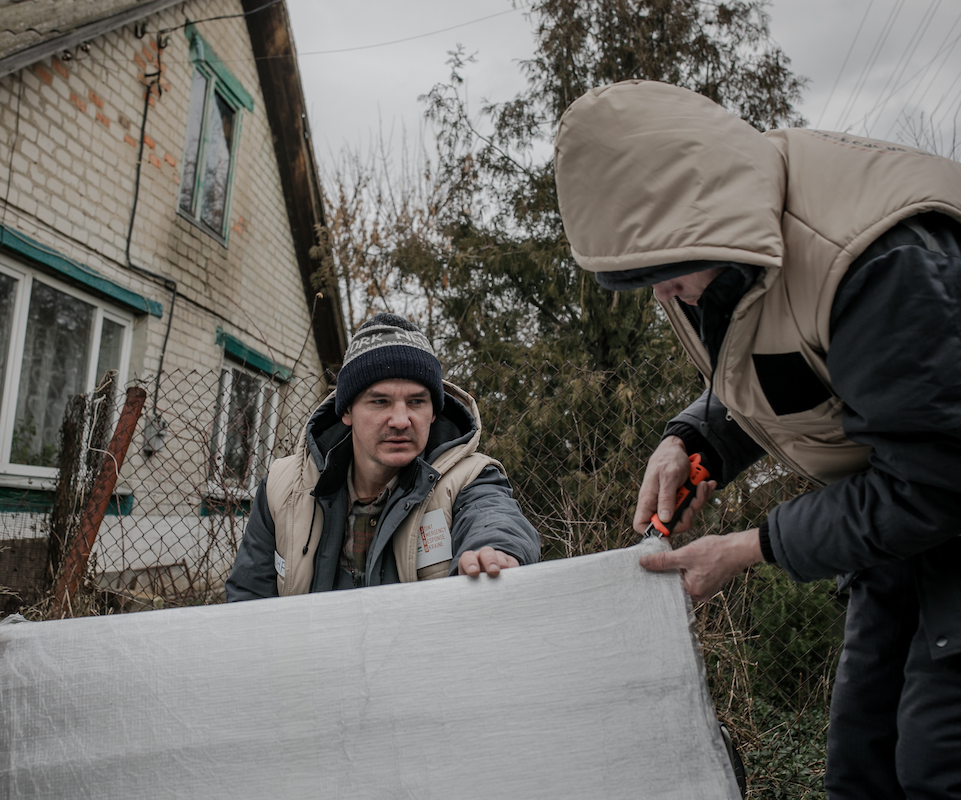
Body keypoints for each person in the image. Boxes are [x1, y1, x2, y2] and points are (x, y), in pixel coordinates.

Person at [552, 79, 961, 798]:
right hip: (900, 518)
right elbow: (778, 369)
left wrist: (750, 547)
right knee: (860, 763)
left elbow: (932, 480)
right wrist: (692, 443)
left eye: (658, 273)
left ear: (698, 219)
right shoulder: (715, 262)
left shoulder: (877, 258)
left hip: (935, 495)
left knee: (936, 766)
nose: (657, 295)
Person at [226, 313, 540, 600]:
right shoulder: (283, 488)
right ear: (347, 411)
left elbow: (492, 517)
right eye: (380, 402)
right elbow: (247, 600)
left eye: (417, 402)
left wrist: (496, 551)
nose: (401, 420)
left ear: (434, 412)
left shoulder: (468, 479)